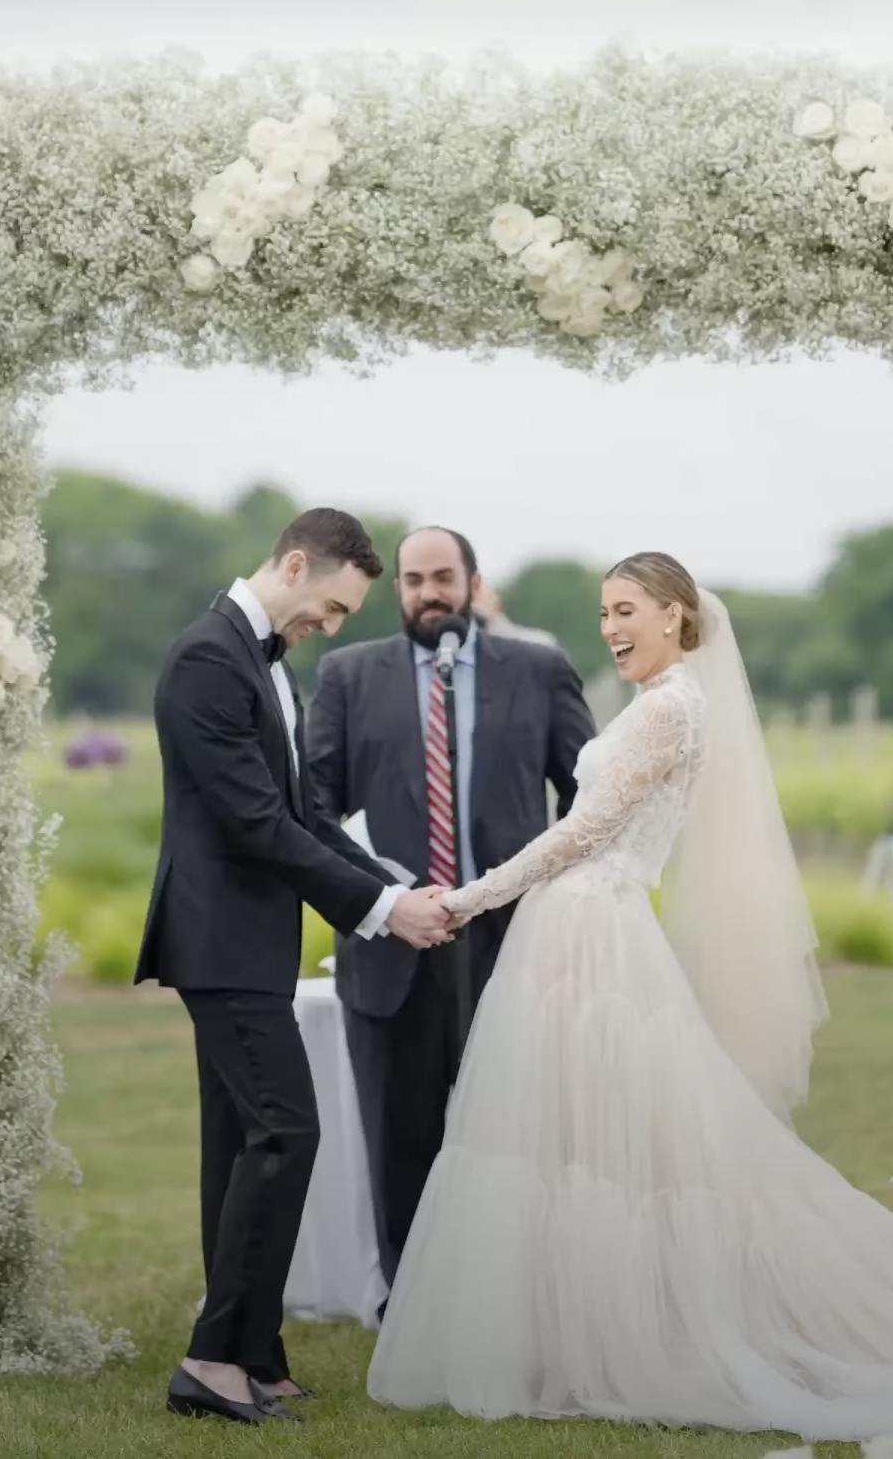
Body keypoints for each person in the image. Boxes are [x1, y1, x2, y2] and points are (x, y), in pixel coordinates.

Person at [369, 551, 893, 1449]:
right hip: (577, 930)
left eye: (624, 610)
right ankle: (567, 1332)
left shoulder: (672, 709)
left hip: (593, 931)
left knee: (605, 1147)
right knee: (572, 1141)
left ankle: (623, 1335)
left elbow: (584, 832)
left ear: (673, 614)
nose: (610, 627)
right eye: (604, 612)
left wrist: (463, 898)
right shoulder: (666, 703)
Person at [135, 508, 453, 1426]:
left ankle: (253, 1355)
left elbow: (305, 818)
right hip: (221, 944)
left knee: (240, 1148)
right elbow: (253, 825)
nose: (334, 625)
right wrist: (387, 913)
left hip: (254, 944)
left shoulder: (264, 663)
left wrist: (395, 889)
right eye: (334, 606)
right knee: (289, 1134)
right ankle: (209, 1362)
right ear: (294, 563)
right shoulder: (207, 660)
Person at [306, 525, 595, 1303]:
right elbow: (312, 808)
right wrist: (386, 897)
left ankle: (517, 1296)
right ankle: (412, 1304)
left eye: (442, 577)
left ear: (472, 581)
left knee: (517, 1133)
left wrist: (560, 900)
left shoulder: (538, 670)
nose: (428, 594)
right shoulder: (345, 675)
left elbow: (589, 797)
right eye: (412, 581)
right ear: (396, 589)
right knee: (400, 1139)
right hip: (392, 946)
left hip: (517, 944)